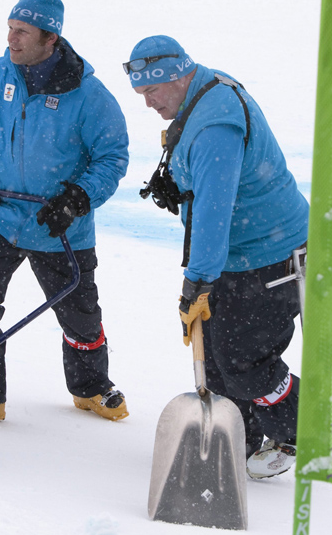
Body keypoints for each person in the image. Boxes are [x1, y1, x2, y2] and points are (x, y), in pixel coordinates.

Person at [126, 35, 308, 478]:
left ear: (178, 76)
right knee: (221, 360)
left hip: (269, 254)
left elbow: (214, 209)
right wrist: (179, 184)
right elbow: (207, 186)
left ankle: (301, 431)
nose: (148, 103)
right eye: (141, 95)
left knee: (246, 361)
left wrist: (198, 280)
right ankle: (236, 440)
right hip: (237, 253)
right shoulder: (202, 93)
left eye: (152, 91)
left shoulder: (214, 127)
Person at [0, 0, 130, 425]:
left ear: (50, 39)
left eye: (22, 32)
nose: (11, 39)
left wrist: (77, 198)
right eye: (10, 29)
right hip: (0, 215)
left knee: (80, 314)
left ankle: (90, 388)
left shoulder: (89, 95)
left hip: (59, 223)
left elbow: (112, 157)